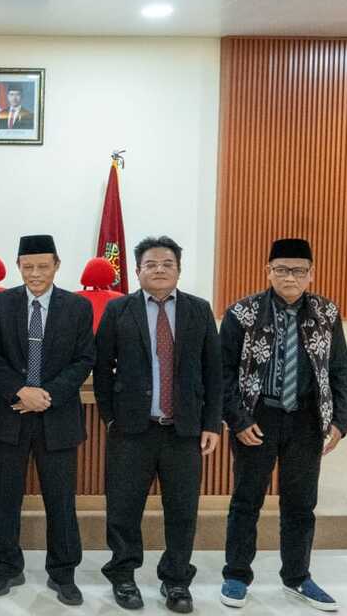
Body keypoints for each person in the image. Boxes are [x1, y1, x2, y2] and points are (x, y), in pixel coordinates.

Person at [219, 238, 347, 613]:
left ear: (311, 274)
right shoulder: (242, 313)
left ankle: (297, 576)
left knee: (301, 503)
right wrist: (238, 419)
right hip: (257, 419)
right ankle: (236, 574)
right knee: (246, 500)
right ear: (268, 271)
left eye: (298, 270)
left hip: (307, 421)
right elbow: (222, 373)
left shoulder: (327, 313)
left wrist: (340, 420)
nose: (289, 277)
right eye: (281, 269)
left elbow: (340, 369)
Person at [93, 236, 222, 613]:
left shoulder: (199, 310)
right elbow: (101, 368)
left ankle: (177, 579)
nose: (160, 270)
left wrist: (211, 423)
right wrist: (111, 416)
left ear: (179, 270)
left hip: (183, 429)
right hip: (132, 429)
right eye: (151, 264)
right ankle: (123, 575)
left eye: (168, 263)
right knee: (123, 507)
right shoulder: (119, 310)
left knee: (182, 509)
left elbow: (214, 372)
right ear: (137, 271)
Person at [0, 234, 94, 606]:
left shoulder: (77, 307)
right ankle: (5, 568)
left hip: (57, 416)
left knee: (61, 500)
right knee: (5, 497)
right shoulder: (0, 303)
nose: (35, 273)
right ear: (18, 266)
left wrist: (47, 395)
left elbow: (84, 358)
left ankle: (63, 573)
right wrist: (20, 391)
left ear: (57, 265)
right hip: (10, 414)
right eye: (27, 266)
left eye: (43, 266)